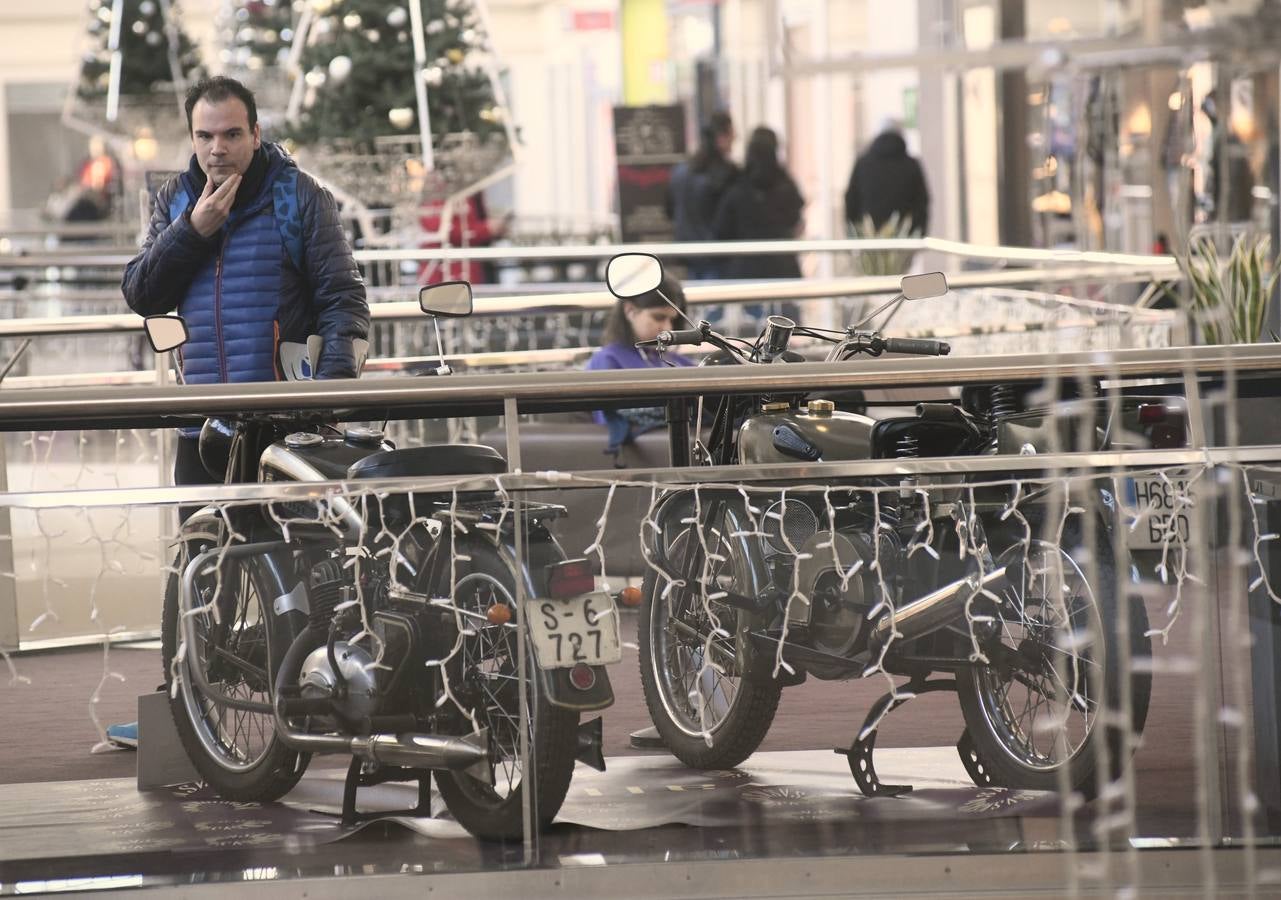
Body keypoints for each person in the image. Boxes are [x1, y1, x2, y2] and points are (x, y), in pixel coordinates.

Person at [115, 75, 370, 749]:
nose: (217, 149)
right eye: (204, 136)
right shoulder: (175, 198)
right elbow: (141, 293)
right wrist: (192, 232)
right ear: (191, 137)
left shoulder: (297, 196)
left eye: (232, 134)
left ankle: (317, 696)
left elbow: (344, 299)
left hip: (284, 422)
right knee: (201, 567)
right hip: (205, 419)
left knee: (303, 567)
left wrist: (329, 396)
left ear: (256, 134)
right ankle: (190, 711)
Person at [586, 273, 695, 459]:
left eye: (672, 320)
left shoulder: (676, 361)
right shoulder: (607, 360)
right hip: (647, 455)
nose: (668, 327)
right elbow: (612, 417)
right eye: (659, 317)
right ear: (630, 311)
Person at [711, 126, 805, 279]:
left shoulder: (737, 187)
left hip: (746, 271)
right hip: (783, 269)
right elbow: (797, 224)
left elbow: (721, 230)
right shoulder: (787, 186)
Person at [667, 111, 738, 279]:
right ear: (722, 138)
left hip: (687, 254)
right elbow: (729, 218)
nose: (734, 141)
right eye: (732, 136)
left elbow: (669, 210)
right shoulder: (725, 174)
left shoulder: (680, 172)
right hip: (717, 256)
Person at [843, 120, 930, 236]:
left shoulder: (863, 164)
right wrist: (917, 234)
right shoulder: (911, 165)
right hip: (903, 240)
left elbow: (851, 201)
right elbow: (921, 204)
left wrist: (853, 235)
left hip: (868, 239)